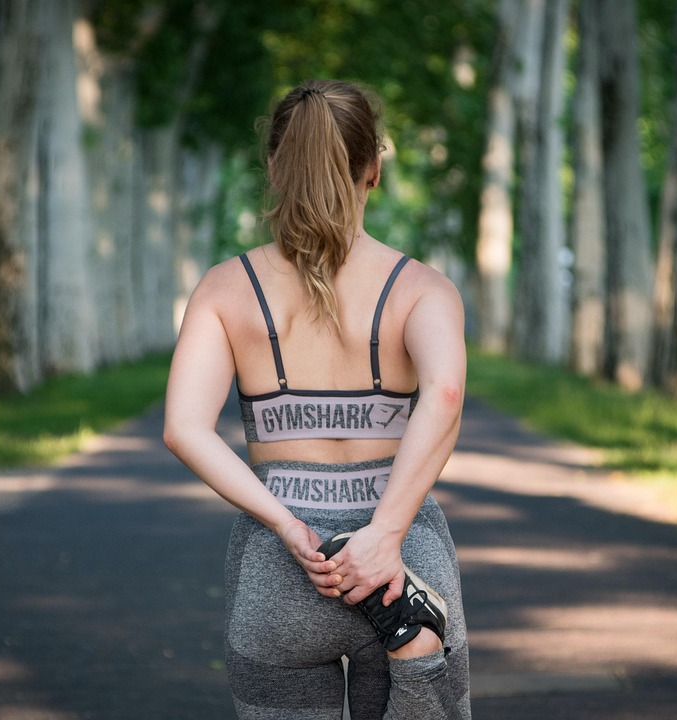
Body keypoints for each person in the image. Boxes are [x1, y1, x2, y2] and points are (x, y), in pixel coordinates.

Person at [163, 79, 471, 719]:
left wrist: (285, 524)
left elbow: (184, 429)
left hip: (284, 568)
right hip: (400, 573)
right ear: (373, 169)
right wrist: (384, 536)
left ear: (275, 167)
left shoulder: (225, 289)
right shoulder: (423, 289)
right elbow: (442, 391)